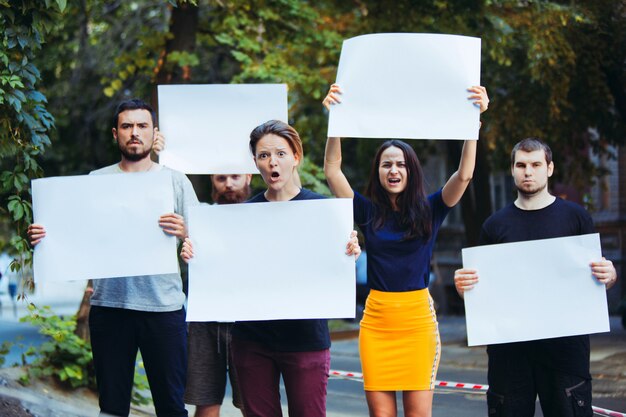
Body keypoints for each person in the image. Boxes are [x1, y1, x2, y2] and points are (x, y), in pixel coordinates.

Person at [322, 83, 489, 417]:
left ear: (412, 170)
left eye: (401, 164)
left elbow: (465, 174)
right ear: (378, 172)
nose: (394, 170)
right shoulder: (367, 212)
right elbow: (332, 170)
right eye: (386, 165)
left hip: (417, 324)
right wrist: (335, 121)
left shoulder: (431, 208)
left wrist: (474, 123)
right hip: (376, 324)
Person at [28, 99, 198, 417]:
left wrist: (185, 231)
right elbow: (74, 235)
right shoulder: (96, 180)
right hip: (110, 308)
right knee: (112, 407)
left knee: (172, 407)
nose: (135, 132)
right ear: (115, 134)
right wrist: (43, 237)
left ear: (154, 133)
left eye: (142, 126)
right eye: (127, 126)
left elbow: (202, 242)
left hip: (163, 309)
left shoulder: (175, 180)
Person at [181, 119, 361, 417]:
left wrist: (350, 253)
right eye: (264, 156)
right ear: (255, 163)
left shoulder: (324, 211)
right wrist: (195, 256)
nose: (272, 162)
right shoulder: (242, 215)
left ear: (296, 157)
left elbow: (335, 267)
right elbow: (222, 270)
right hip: (252, 341)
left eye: (280, 153)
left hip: (305, 340)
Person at [454, 138, 617, 417]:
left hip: (565, 353)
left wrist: (609, 275)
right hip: (510, 356)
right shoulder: (494, 226)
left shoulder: (576, 218)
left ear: (549, 169)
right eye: (521, 165)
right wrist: (463, 286)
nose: (528, 172)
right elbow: (480, 292)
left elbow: (595, 278)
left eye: (535, 165)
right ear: (512, 170)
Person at [184, 174, 251, 417]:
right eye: (222, 178)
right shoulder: (198, 215)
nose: (229, 184)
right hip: (205, 320)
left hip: (249, 322)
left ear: (248, 176)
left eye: (235, 177)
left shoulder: (262, 214)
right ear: (213, 180)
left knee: (252, 403)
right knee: (205, 402)